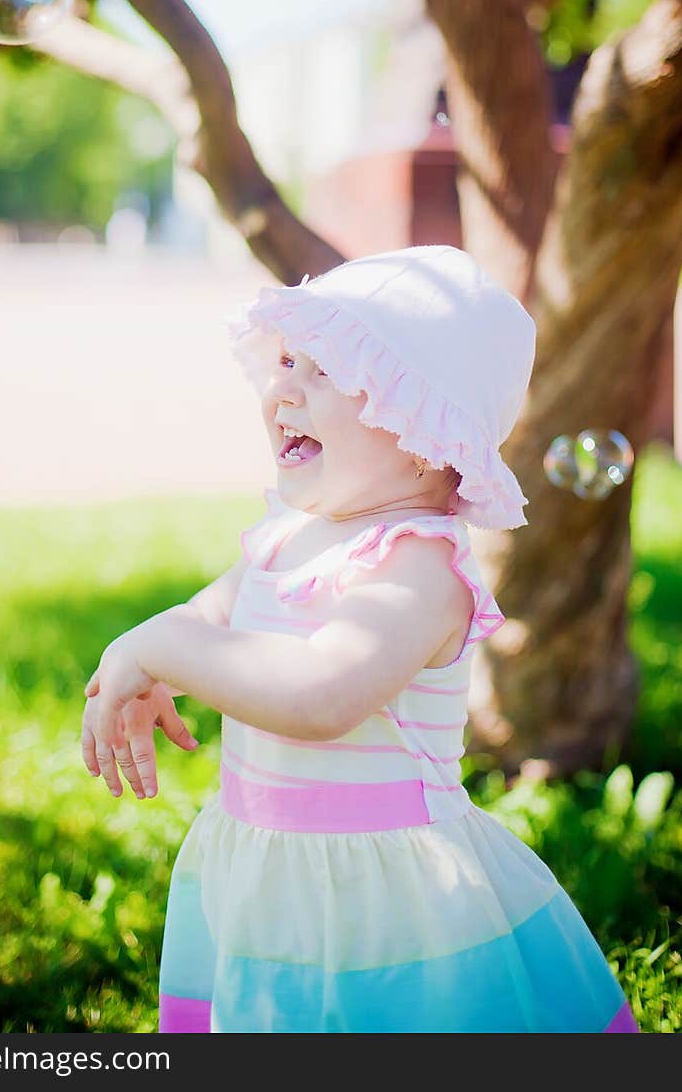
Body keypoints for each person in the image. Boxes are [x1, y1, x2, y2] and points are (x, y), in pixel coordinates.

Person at [81, 243, 639, 1034]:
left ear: (422, 430)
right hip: (266, 878)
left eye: (324, 372)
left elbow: (323, 694)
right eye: (286, 361)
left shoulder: (421, 568)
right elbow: (208, 621)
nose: (284, 387)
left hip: (386, 907)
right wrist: (139, 660)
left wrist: (161, 654)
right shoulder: (286, 536)